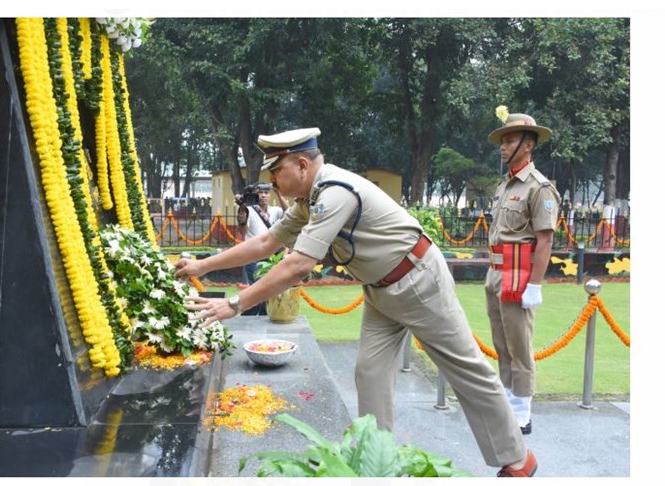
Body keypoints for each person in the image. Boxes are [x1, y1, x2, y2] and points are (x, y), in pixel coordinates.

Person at [175, 127, 537, 477]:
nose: (273, 183)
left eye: (277, 171)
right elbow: (266, 243)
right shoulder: (308, 201)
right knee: (370, 374)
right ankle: (375, 462)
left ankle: (517, 458)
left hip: (418, 281)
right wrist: (202, 265)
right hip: (380, 291)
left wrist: (235, 304)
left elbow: (298, 264)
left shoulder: (335, 192)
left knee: (466, 370)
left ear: (302, 165)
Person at [485, 111, 561, 436]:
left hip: (518, 277)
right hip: (496, 274)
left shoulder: (539, 188)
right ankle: (507, 398)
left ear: (528, 145)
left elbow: (544, 241)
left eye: (511, 140)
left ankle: (522, 410)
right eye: (503, 140)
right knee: (502, 344)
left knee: (519, 344)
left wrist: (535, 285)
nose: (503, 146)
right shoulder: (505, 185)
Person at [235, 182, 288, 316]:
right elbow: (243, 231)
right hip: (253, 255)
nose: (263, 195)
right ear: (254, 195)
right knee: (258, 290)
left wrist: (279, 193)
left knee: (269, 289)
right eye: (260, 192)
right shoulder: (249, 210)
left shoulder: (275, 210)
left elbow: (289, 213)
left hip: (271, 256)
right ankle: (248, 319)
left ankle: (262, 318)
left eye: (266, 192)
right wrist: (241, 215)